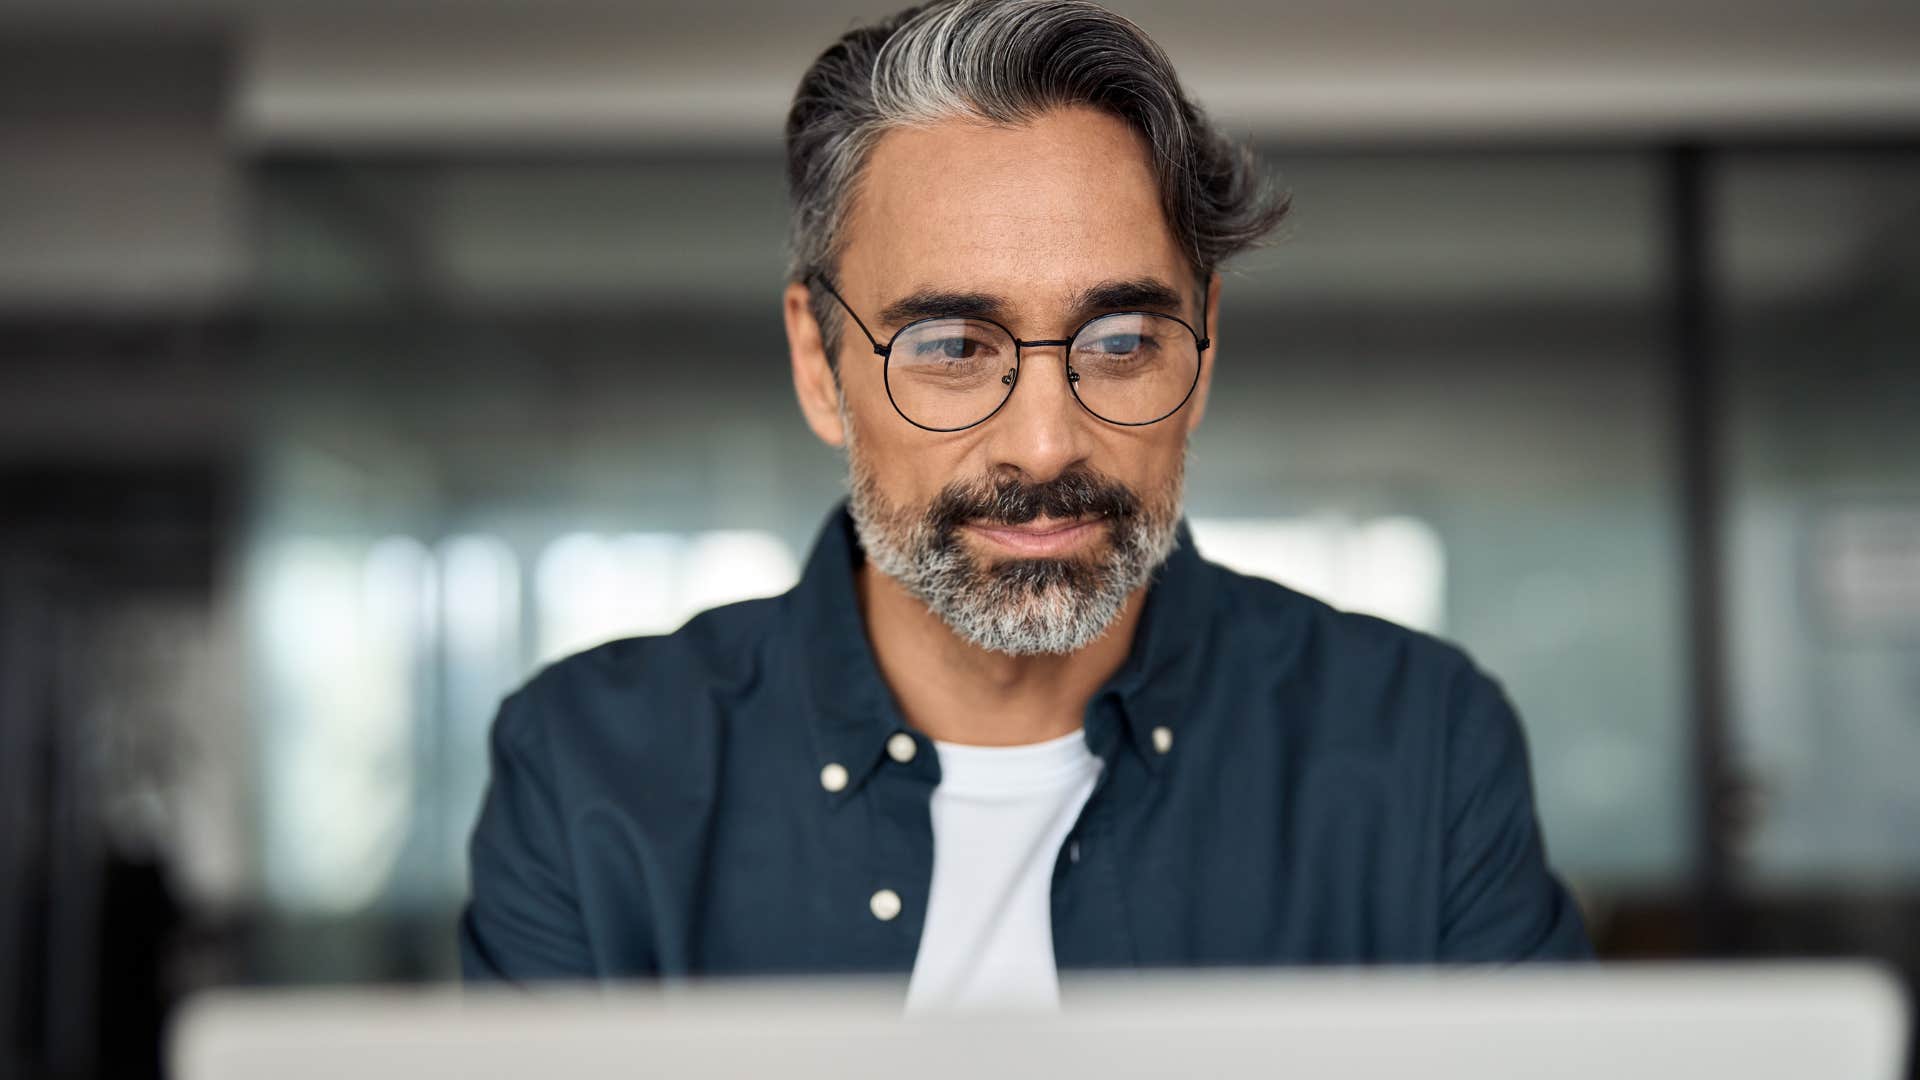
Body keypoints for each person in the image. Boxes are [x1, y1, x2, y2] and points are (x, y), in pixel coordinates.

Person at [461, 0, 1591, 1008]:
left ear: (1200, 352)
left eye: (1121, 340)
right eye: (951, 344)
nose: (1046, 440)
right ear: (820, 364)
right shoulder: (591, 775)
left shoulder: (1418, 746)